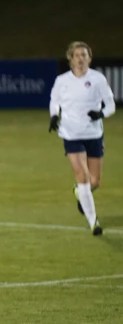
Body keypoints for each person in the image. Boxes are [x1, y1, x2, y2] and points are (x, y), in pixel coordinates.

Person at [49, 41, 116, 235]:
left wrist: (101, 114)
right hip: (71, 134)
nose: (80, 59)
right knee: (82, 176)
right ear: (70, 58)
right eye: (77, 55)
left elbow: (110, 104)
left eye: (84, 55)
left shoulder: (97, 79)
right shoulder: (62, 81)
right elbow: (55, 101)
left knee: (95, 182)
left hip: (93, 133)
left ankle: (80, 193)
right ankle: (93, 221)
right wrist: (54, 116)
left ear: (90, 58)